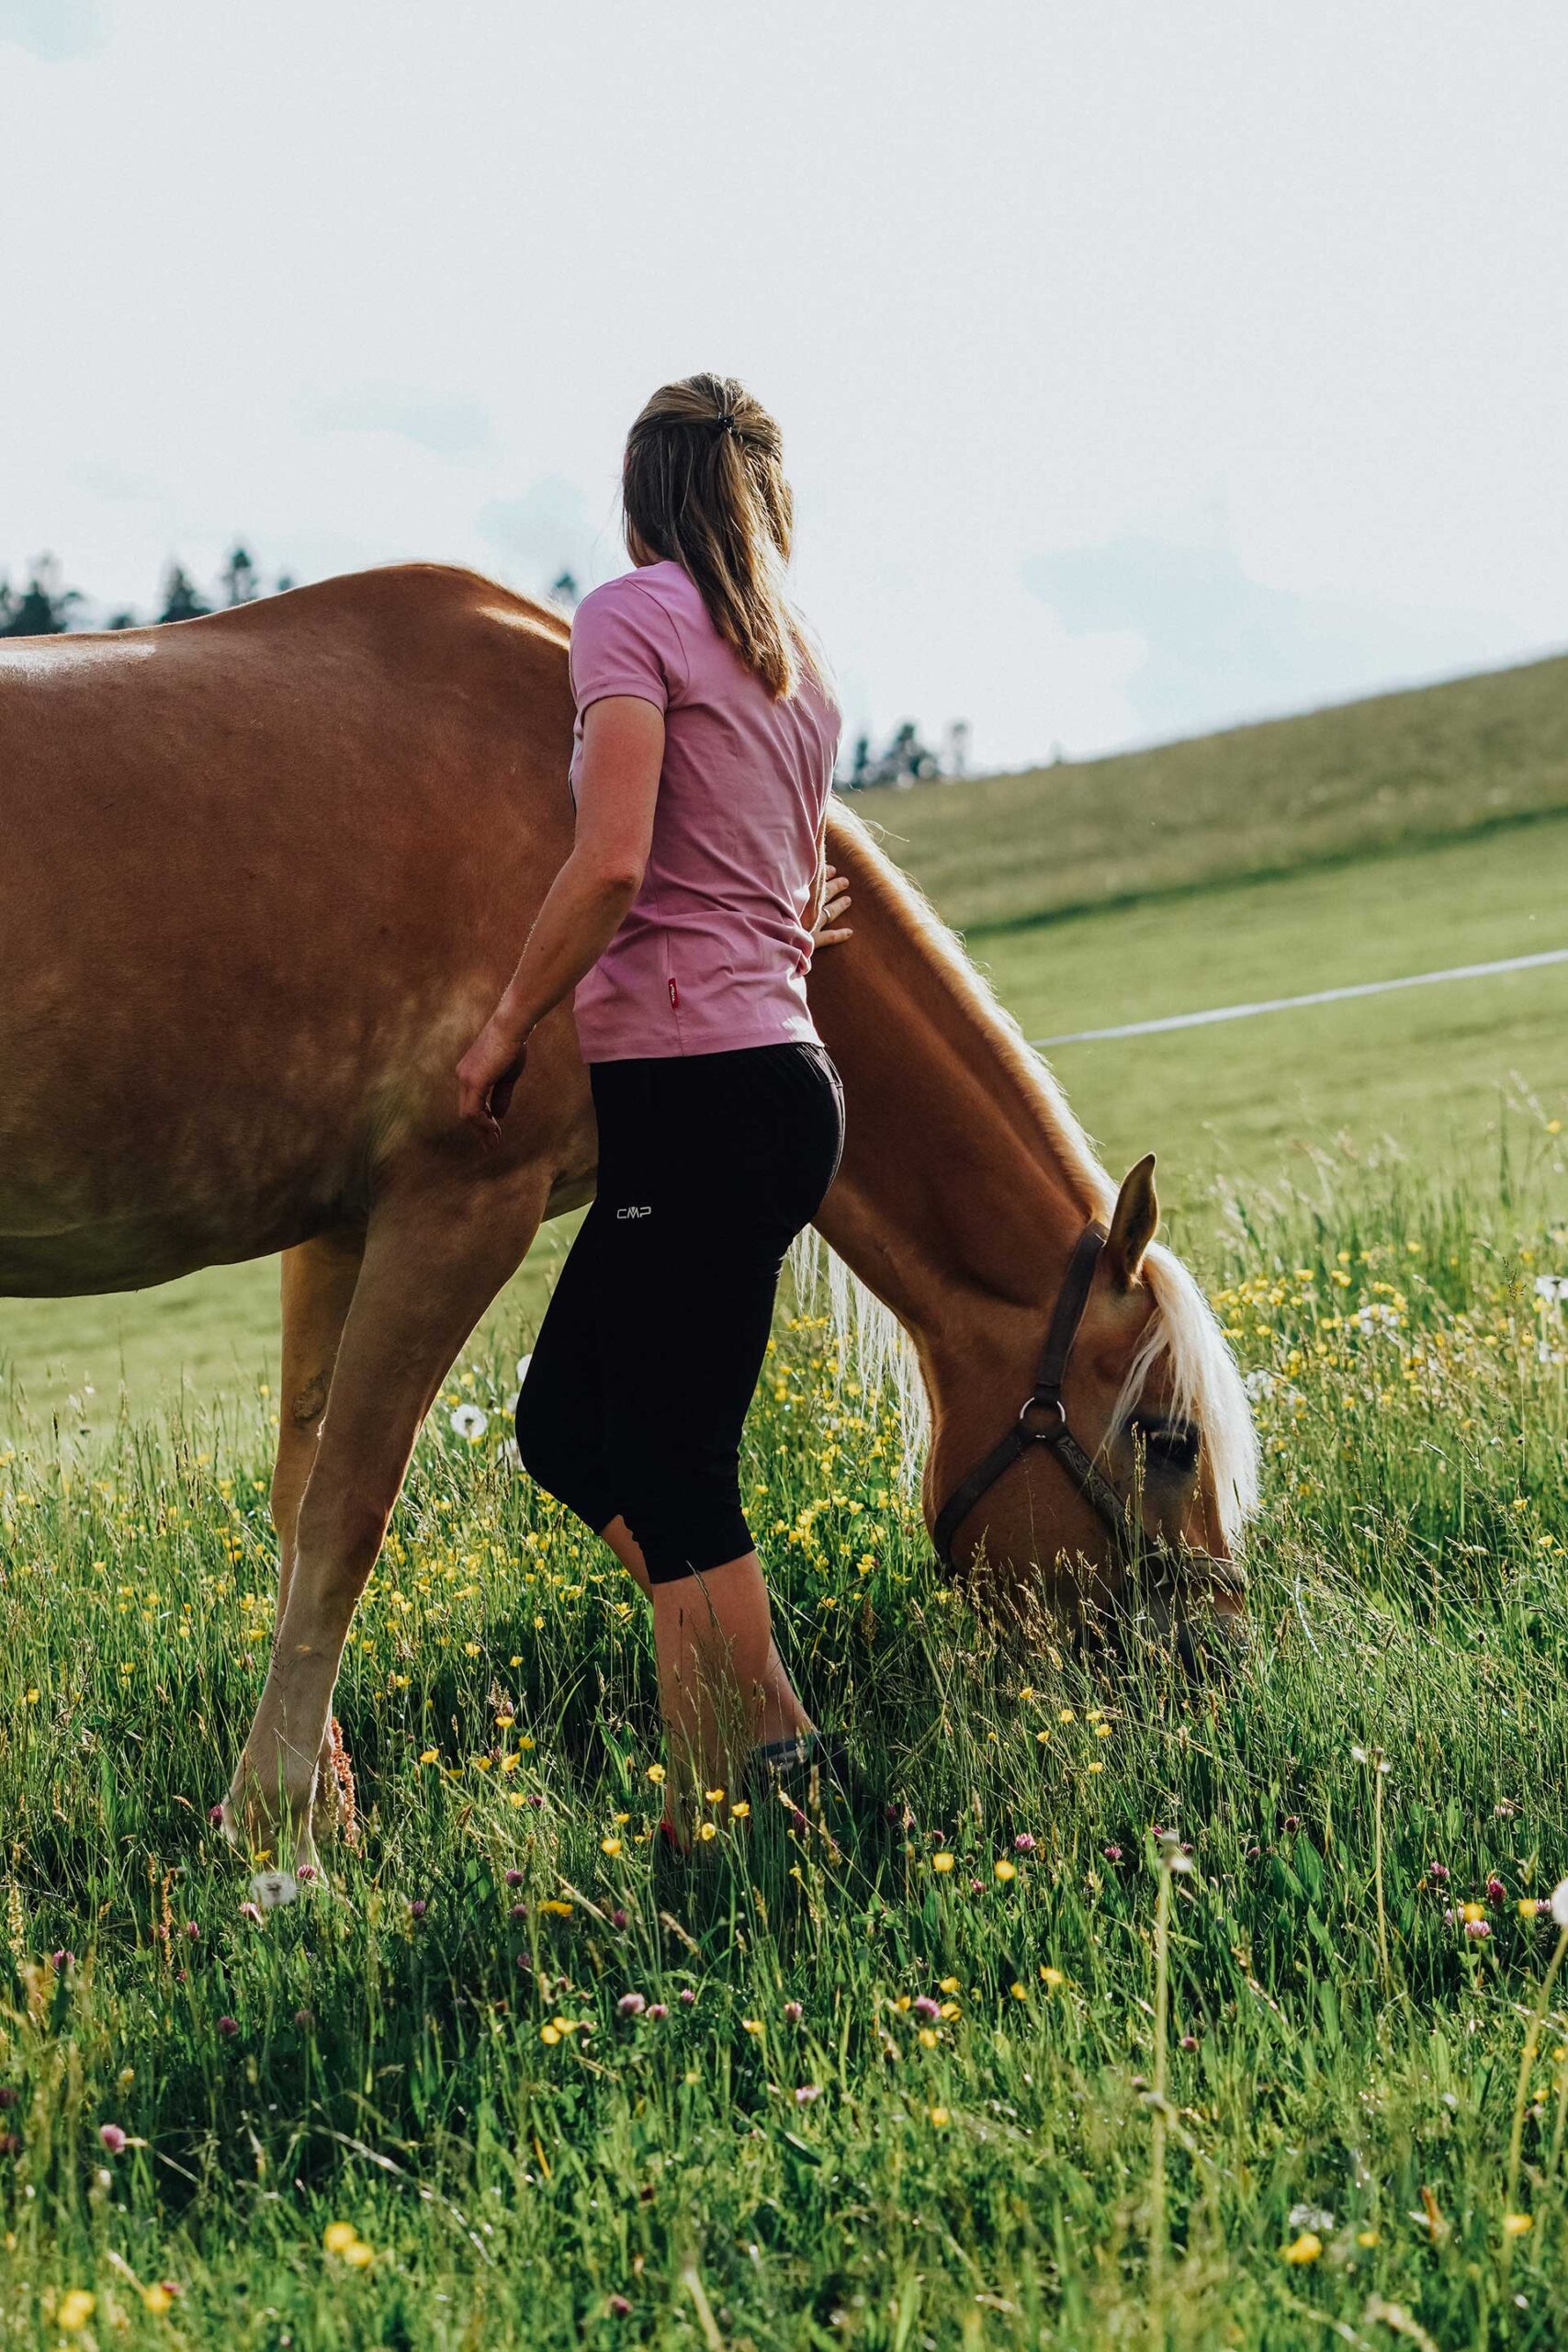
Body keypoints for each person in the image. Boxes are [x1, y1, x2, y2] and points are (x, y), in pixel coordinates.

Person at [457, 371, 852, 1843]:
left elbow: (613, 859)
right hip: (776, 1086)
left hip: (697, 1097)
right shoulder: (798, 663)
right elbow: (801, 901)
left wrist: (508, 1020)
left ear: (646, 495)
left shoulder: (630, 618)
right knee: (570, 1425)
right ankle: (765, 1732)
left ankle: (733, 1799)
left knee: (677, 1463)